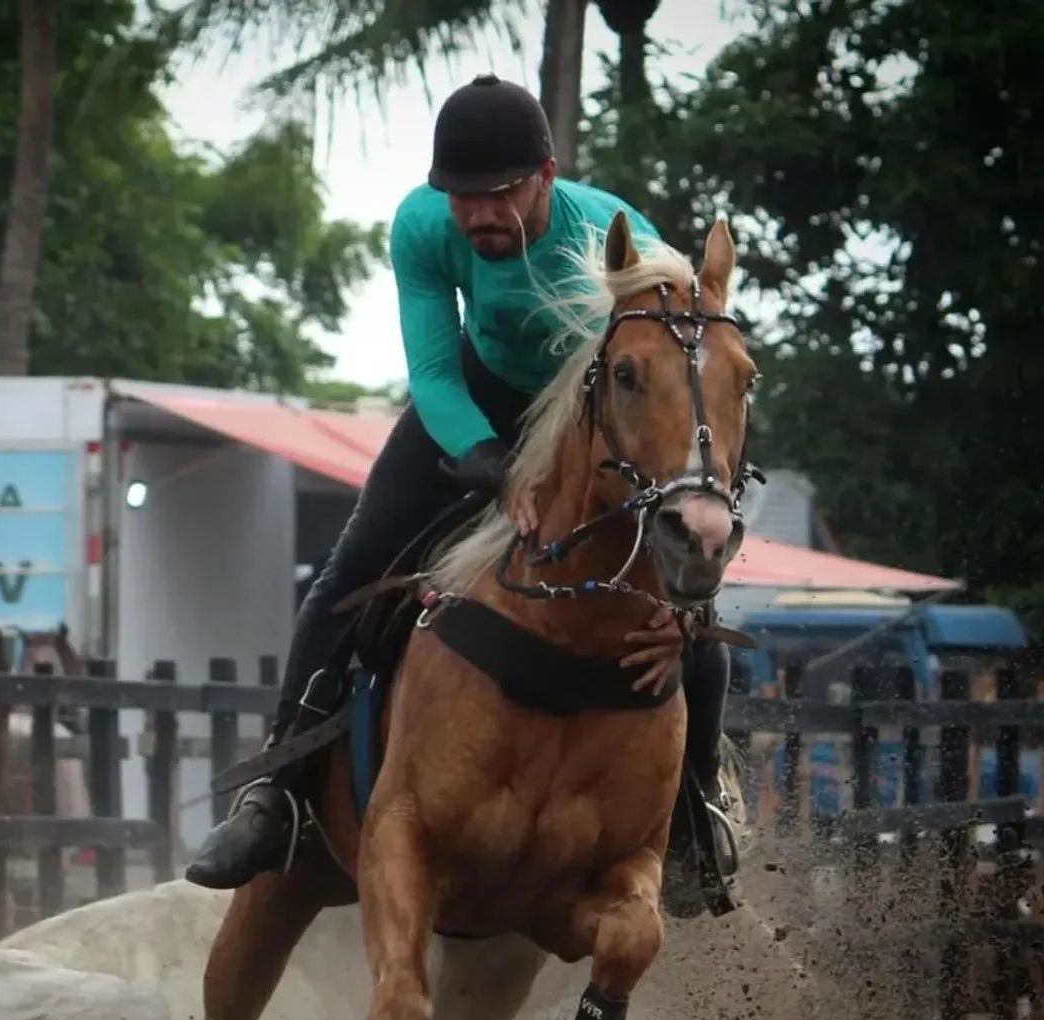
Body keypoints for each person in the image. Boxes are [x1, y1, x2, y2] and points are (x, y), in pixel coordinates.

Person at [186, 74, 733, 893]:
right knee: (350, 568)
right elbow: (436, 372)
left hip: (596, 422)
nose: (479, 215)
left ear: (547, 175)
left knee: (699, 615)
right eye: (462, 197)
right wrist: (487, 459)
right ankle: (277, 799)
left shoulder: (618, 239)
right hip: (472, 403)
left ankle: (695, 816)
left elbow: (661, 387)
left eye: (500, 194)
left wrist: (678, 598)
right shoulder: (419, 225)